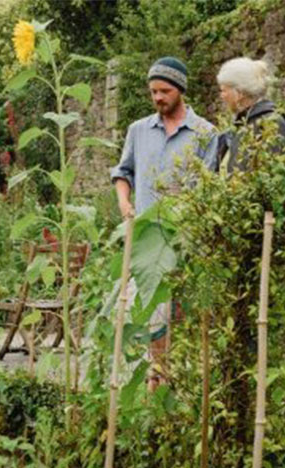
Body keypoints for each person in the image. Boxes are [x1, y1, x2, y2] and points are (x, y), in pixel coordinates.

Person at [110, 56, 219, 390]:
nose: (158, 97)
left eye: (165, 91)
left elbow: (211, 183)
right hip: (145, 238)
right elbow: (122, 172)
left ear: (180, 90)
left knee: (184, 312)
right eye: (153, 91)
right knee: (147, 306)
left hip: (185, 237)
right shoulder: (138, 130)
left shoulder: (205, 133)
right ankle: (158, 376)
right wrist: (125, 203)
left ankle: (182, 382)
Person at [215, 57, 285, 172]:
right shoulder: (245, 123)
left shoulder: (271, 124)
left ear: (239, 93)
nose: (222, 96)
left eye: (224, 90)